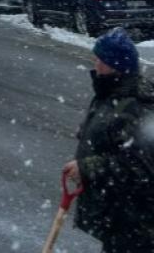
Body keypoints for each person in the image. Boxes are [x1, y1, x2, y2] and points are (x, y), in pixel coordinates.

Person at [62, 27, 154, 253]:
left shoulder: (133, 108)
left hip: (136, 224)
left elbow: (140, 169)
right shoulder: (110, 94)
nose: (95, 64)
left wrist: (87, 167)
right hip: (119, 219)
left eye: (99, 59)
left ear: (114, 66)